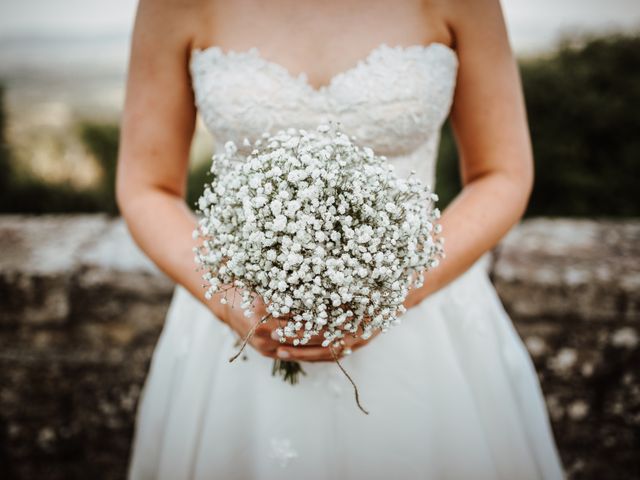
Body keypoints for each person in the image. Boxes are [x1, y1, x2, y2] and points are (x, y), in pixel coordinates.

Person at [116, 0, 566, 478]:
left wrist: (396, 288)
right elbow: (147, 187)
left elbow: (502, 173)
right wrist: (231, 302)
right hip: (240, 323)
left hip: (424, 313)